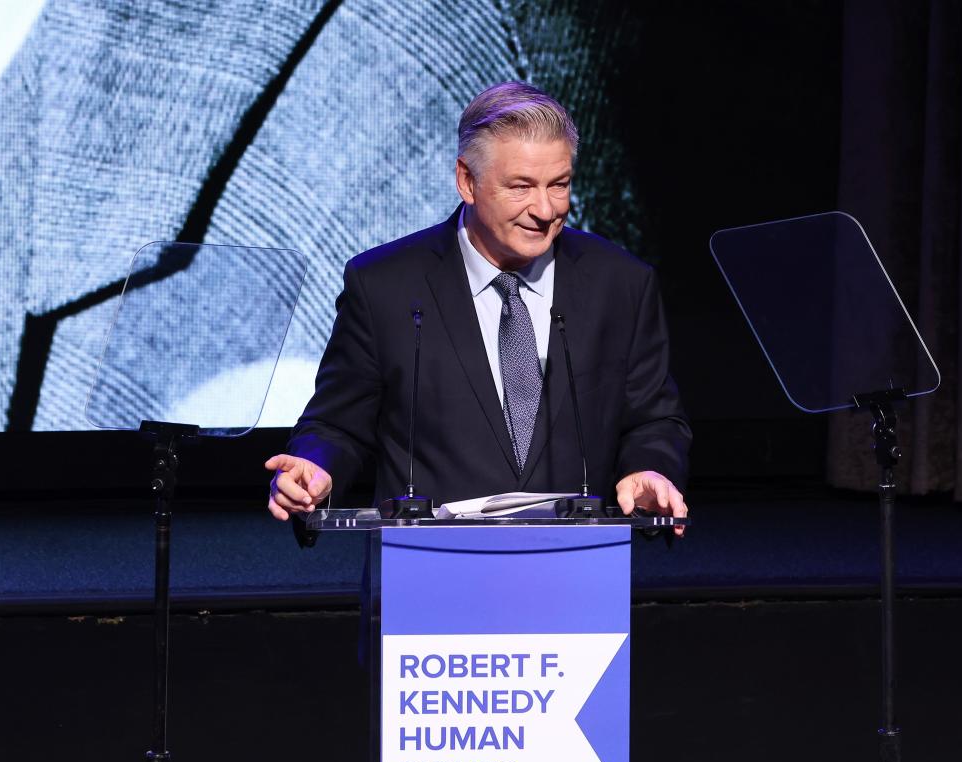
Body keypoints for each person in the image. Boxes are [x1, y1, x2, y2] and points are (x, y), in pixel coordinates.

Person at [266, 81, 690, 532]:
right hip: (430, 573)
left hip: (577, 570)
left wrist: (651, 470)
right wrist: (313, 470)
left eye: (559, 184)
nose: (545, 209)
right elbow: (337, 425)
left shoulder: (620, 283)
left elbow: (655, 419)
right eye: (521, 186)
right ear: (467, 181)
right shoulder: (384, 284)